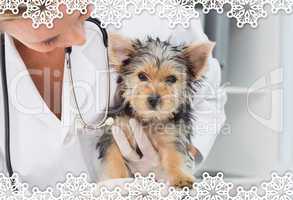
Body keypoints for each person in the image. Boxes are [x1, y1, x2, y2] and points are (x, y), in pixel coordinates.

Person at [0, 5, 226, 189]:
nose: (80, 38)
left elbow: (209, 97)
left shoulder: (154, 13)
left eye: (82, 11)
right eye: (50, 38)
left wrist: (175, 162)